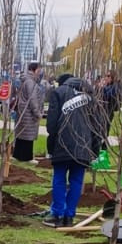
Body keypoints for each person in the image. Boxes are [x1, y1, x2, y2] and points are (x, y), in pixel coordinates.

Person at [41, 74, 103, 226]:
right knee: (76, 181)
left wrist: (51, 147)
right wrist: (94, 151)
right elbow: (97, 126)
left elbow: (51, 124)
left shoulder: (58, 92)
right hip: (83, 146)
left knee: (59, 179)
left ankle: (57, 214)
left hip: (62, 143)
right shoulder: (91, 97)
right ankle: (69, 216)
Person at [13, 61, 42, 162]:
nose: (40, 72)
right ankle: (26, 157)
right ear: (35, 70)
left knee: (22, 134)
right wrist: (37, 112)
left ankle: (18, 155)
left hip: (23, 111)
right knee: (28, 135)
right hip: (28, 113)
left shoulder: (26, 80)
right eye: (39, 69)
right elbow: (32, 99)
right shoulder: (30, 82)